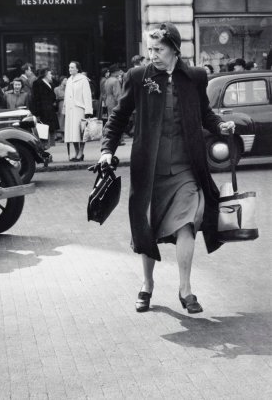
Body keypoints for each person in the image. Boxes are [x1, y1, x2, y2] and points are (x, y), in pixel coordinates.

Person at [98, 22, 235, 314]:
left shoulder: (195, 77)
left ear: (174, 49)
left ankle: (185, 289)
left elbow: (204, 113)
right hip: (150, 170)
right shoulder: (138, 77)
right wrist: (107, 150)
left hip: (186, 167)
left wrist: (221, 125)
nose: (153, 55)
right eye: (149, 49)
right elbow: (118, 117)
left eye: (158, 49)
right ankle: (147, 284)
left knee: (187, 223)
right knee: (147, 228)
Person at [63, 61, 93, 161]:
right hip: (70, 109)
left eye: (72, 67)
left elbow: (87, 96)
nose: (70, 69)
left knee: (81, 131)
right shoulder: (69, 80)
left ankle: (81, 152)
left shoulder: (83, 80)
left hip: (79, 109)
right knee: (72, 133)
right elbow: (66, 96)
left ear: (77, 69)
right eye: (69, 67)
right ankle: (76, 152)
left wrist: (88, 111)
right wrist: (64, 108)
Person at [33, 68, 59, 148]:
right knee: (43, 131)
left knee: (49, 130)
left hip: (50, 110)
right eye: (50, 74)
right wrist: (37, 113)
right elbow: (36, 98)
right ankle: (44, 148)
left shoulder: (50, 84)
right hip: (43, 110)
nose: (51, 75)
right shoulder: (37, 83)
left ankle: (46, 148)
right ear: (45, 74)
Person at [54, 76, 67, 141]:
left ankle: (65, 136)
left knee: (66, 119)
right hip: (61, 104)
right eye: (65, 80)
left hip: (67, 104)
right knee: (61, 119)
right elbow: (55, 98)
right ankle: (61, 135)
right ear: (61, 81)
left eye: (66, 80)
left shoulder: (68, 88)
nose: (66, 81)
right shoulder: (57, 89)